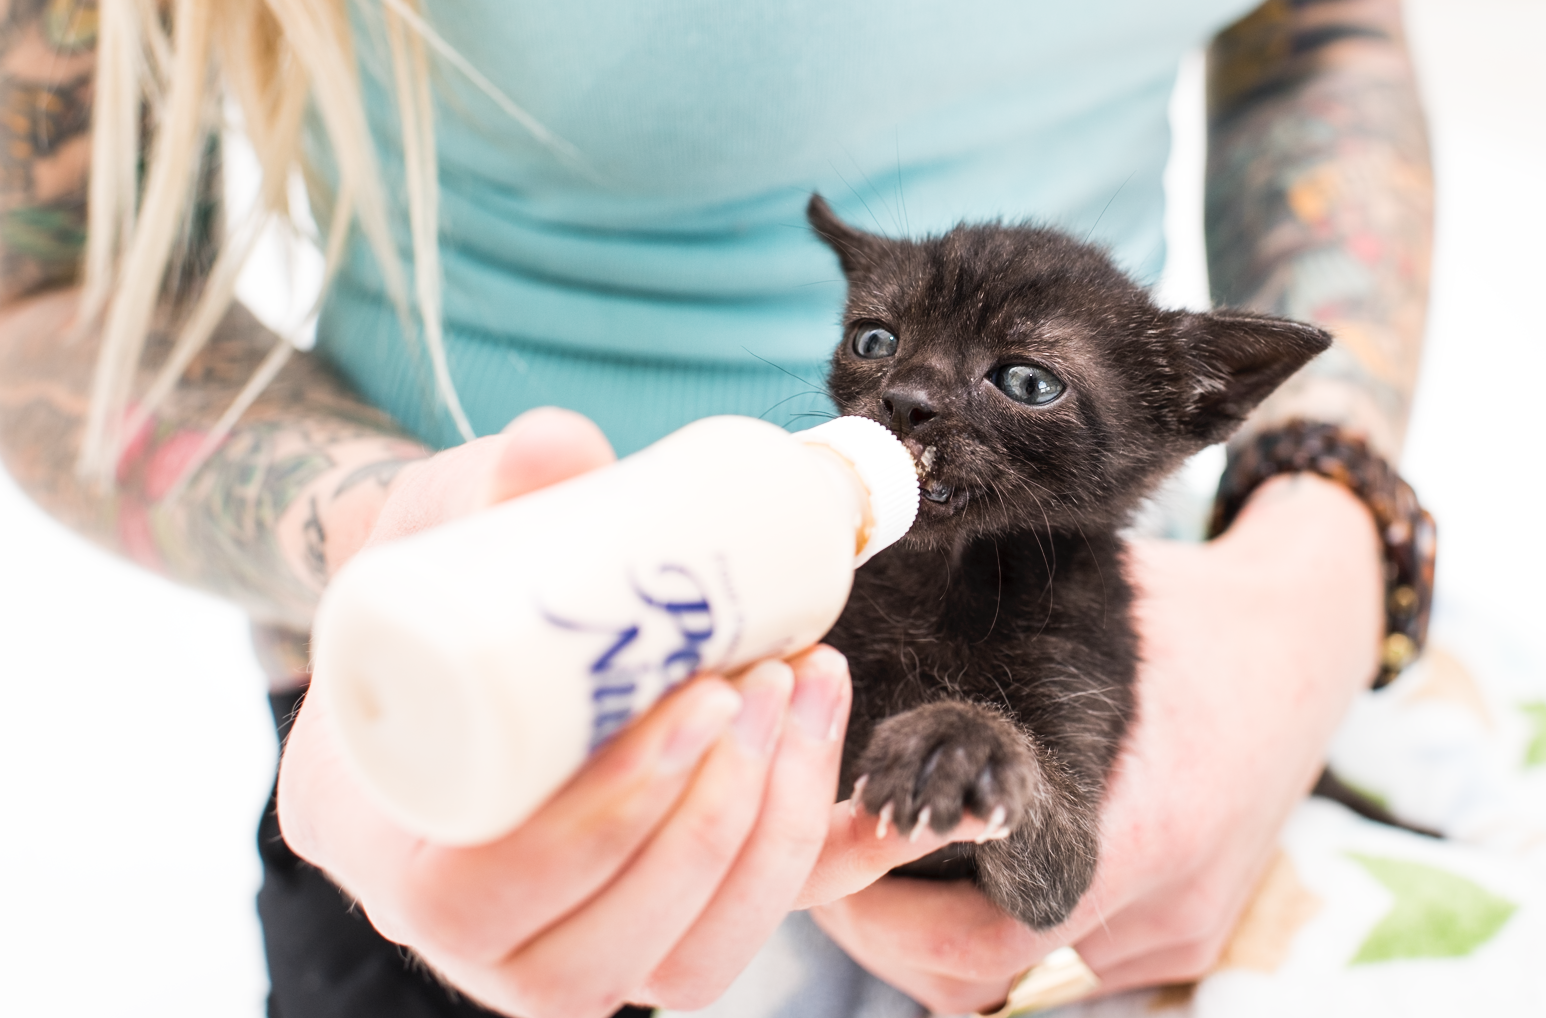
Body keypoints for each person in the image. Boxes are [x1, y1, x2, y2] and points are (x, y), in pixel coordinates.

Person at [0, 0, 1429, 1015]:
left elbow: (1315, 35)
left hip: (1185, 715)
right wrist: (400, 537)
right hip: (490, 738)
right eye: (880, 350)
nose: (914, 401)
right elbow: (46, 289)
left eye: (1015, 379)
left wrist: (1313, 563)